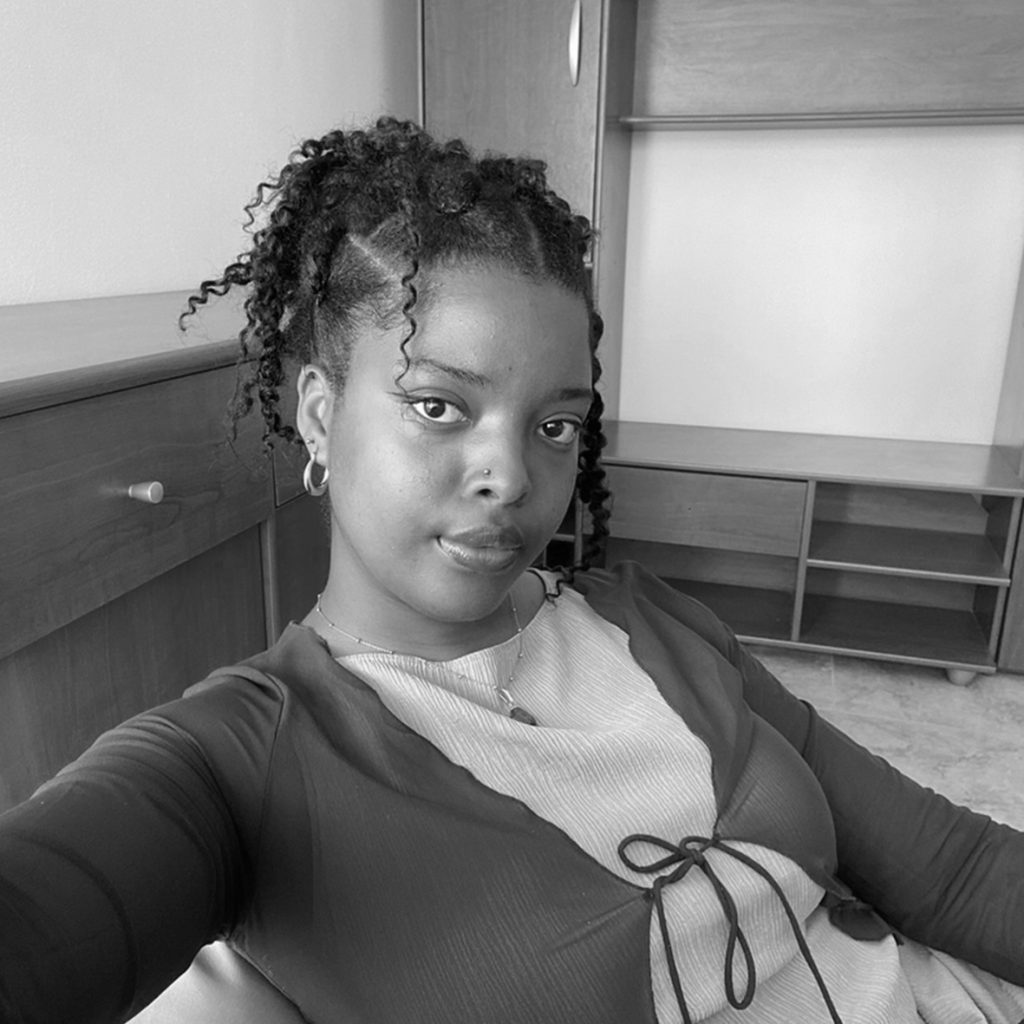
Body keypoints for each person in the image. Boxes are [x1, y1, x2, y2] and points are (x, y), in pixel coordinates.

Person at [1, 116, 1022, 1024]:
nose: (509, 473)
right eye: (439, 404)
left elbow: (952, 868)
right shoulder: (243, 758)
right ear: (321, 410)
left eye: (553, 423)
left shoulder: (649, 618)